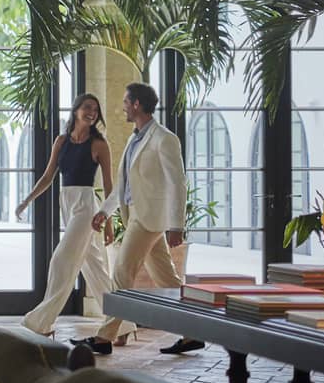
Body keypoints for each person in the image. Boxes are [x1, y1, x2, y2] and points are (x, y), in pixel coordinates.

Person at [72, 82, 205, 356]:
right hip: (137, 216)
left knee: (121, 272)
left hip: (148, 221)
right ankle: (194, 333)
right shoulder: (136, 138)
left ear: (136, 104)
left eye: (125, 101)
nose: (121, 106)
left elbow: (177, 183)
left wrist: (177, 225)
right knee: (167, 279)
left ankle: (104, 337)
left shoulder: (164, 139)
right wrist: (104, 211)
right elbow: (124, 184)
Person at [16, 93, 127, 338]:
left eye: (96, 110)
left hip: (87, 207)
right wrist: (27, 201)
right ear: (76, 110)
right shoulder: (61, 141)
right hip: (66, 203)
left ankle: (41, 323)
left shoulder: (99, 144)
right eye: (87, 107)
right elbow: (47, 177)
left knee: (61, 260)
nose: (92, 113)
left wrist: (108, 222)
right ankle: (123, 323)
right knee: (94, 268)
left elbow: (110, 186)